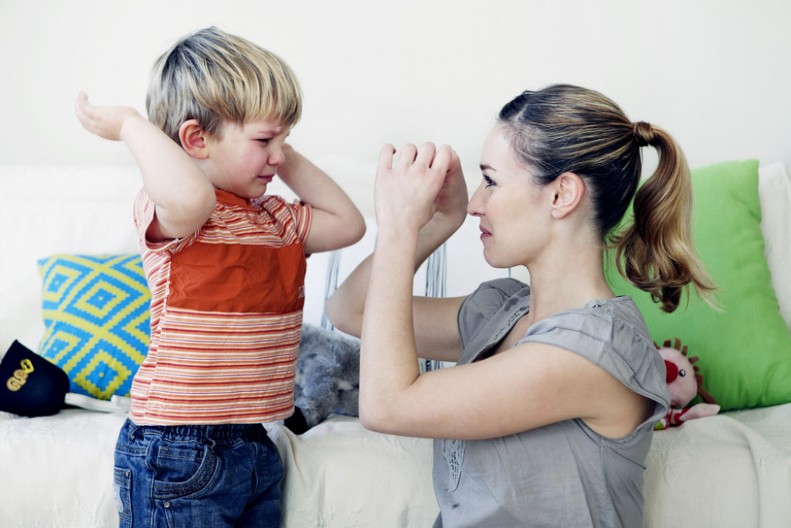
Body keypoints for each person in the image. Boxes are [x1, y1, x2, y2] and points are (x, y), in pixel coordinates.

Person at [325, 84, 715, 527]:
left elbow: (386, 406)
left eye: (491, 181)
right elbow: (348, 309)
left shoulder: (594, 351)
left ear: (561, 195)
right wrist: (437, 223)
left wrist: (398, 228)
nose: (475, 204)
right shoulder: (502, 309)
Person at [75, 27, 365, 527]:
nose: (278, 156)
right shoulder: (178, 214)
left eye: (285, 140)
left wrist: (279, 146)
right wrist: (130, 125)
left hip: (253, 441)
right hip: (176, 447)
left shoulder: (277, 221)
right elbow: (193, 196)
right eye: (264, 140)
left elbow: (349, 224)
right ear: (195, 139)